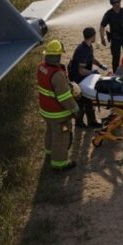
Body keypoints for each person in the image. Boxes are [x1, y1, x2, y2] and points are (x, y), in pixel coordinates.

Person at [36, 40, 79, 171]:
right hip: (58, 114)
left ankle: (49, 152)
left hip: (46, 111)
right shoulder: (58, 75)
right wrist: (75, 109)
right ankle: (59, 163)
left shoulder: (41, 67)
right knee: (61, 137)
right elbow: (64, 98)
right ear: (59, 55)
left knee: (50, 132)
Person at [68, 27, 107, 128]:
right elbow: (81, 71)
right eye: (95, 35)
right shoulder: (82, 50)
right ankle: (79, 123)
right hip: (78, 79)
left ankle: (91, 121)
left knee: (89, 100)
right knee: (82, 101)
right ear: (93, 36)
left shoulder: (88, 46)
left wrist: (100, 65)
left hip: (84, 78)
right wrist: (92, 73)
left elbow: (91, 58)